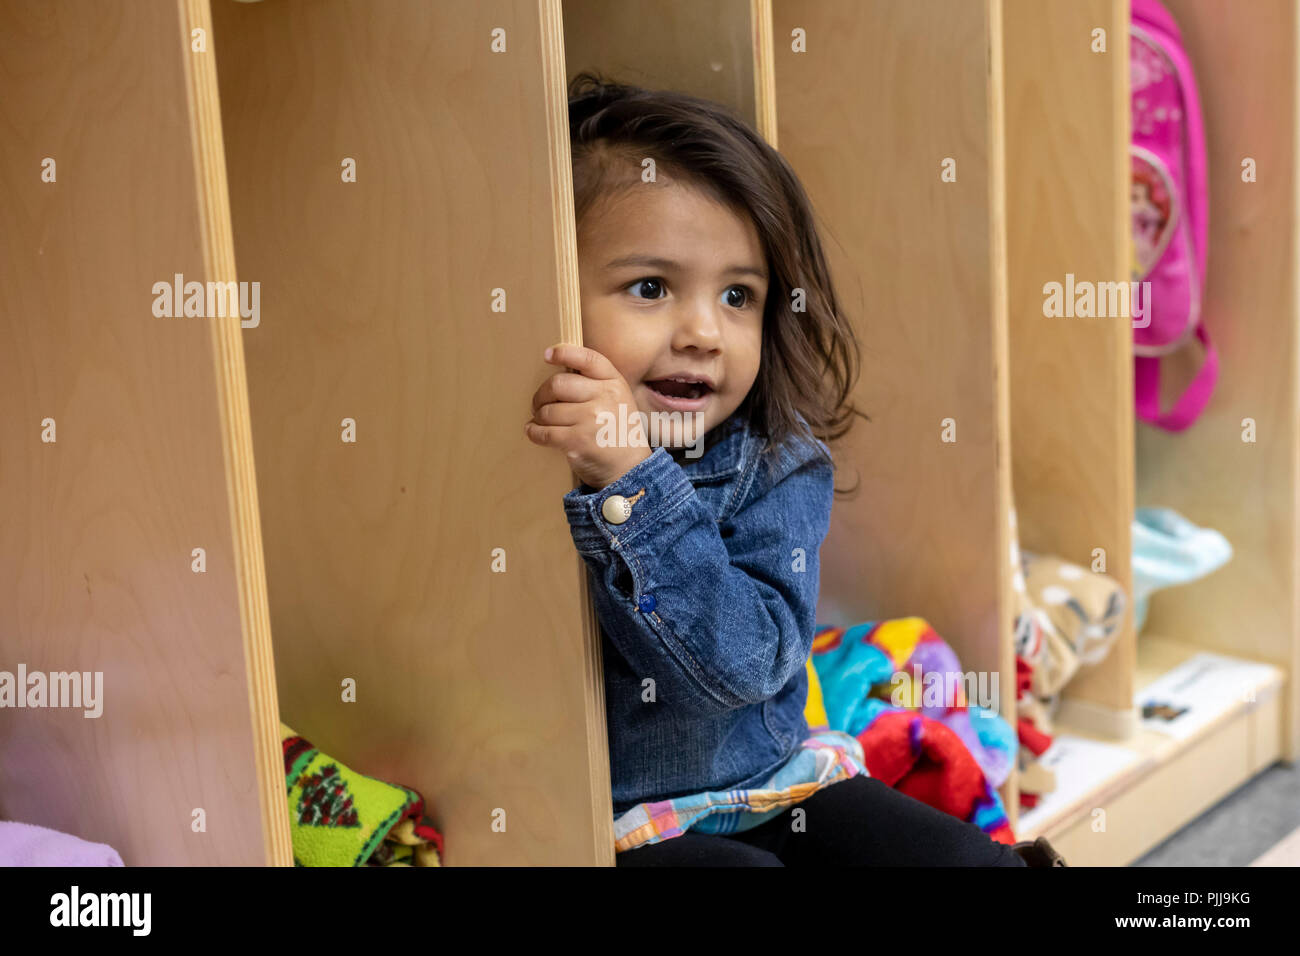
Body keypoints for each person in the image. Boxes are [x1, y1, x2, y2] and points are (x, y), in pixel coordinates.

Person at [524, 74, 1039, 867]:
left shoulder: (775, 462)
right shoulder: (510, 458)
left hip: (770, 783)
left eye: (738, 295)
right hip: (606, 822)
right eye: (651, 288)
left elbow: (746, 665)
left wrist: (633, 483)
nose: (703, 331)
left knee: (970, 863)